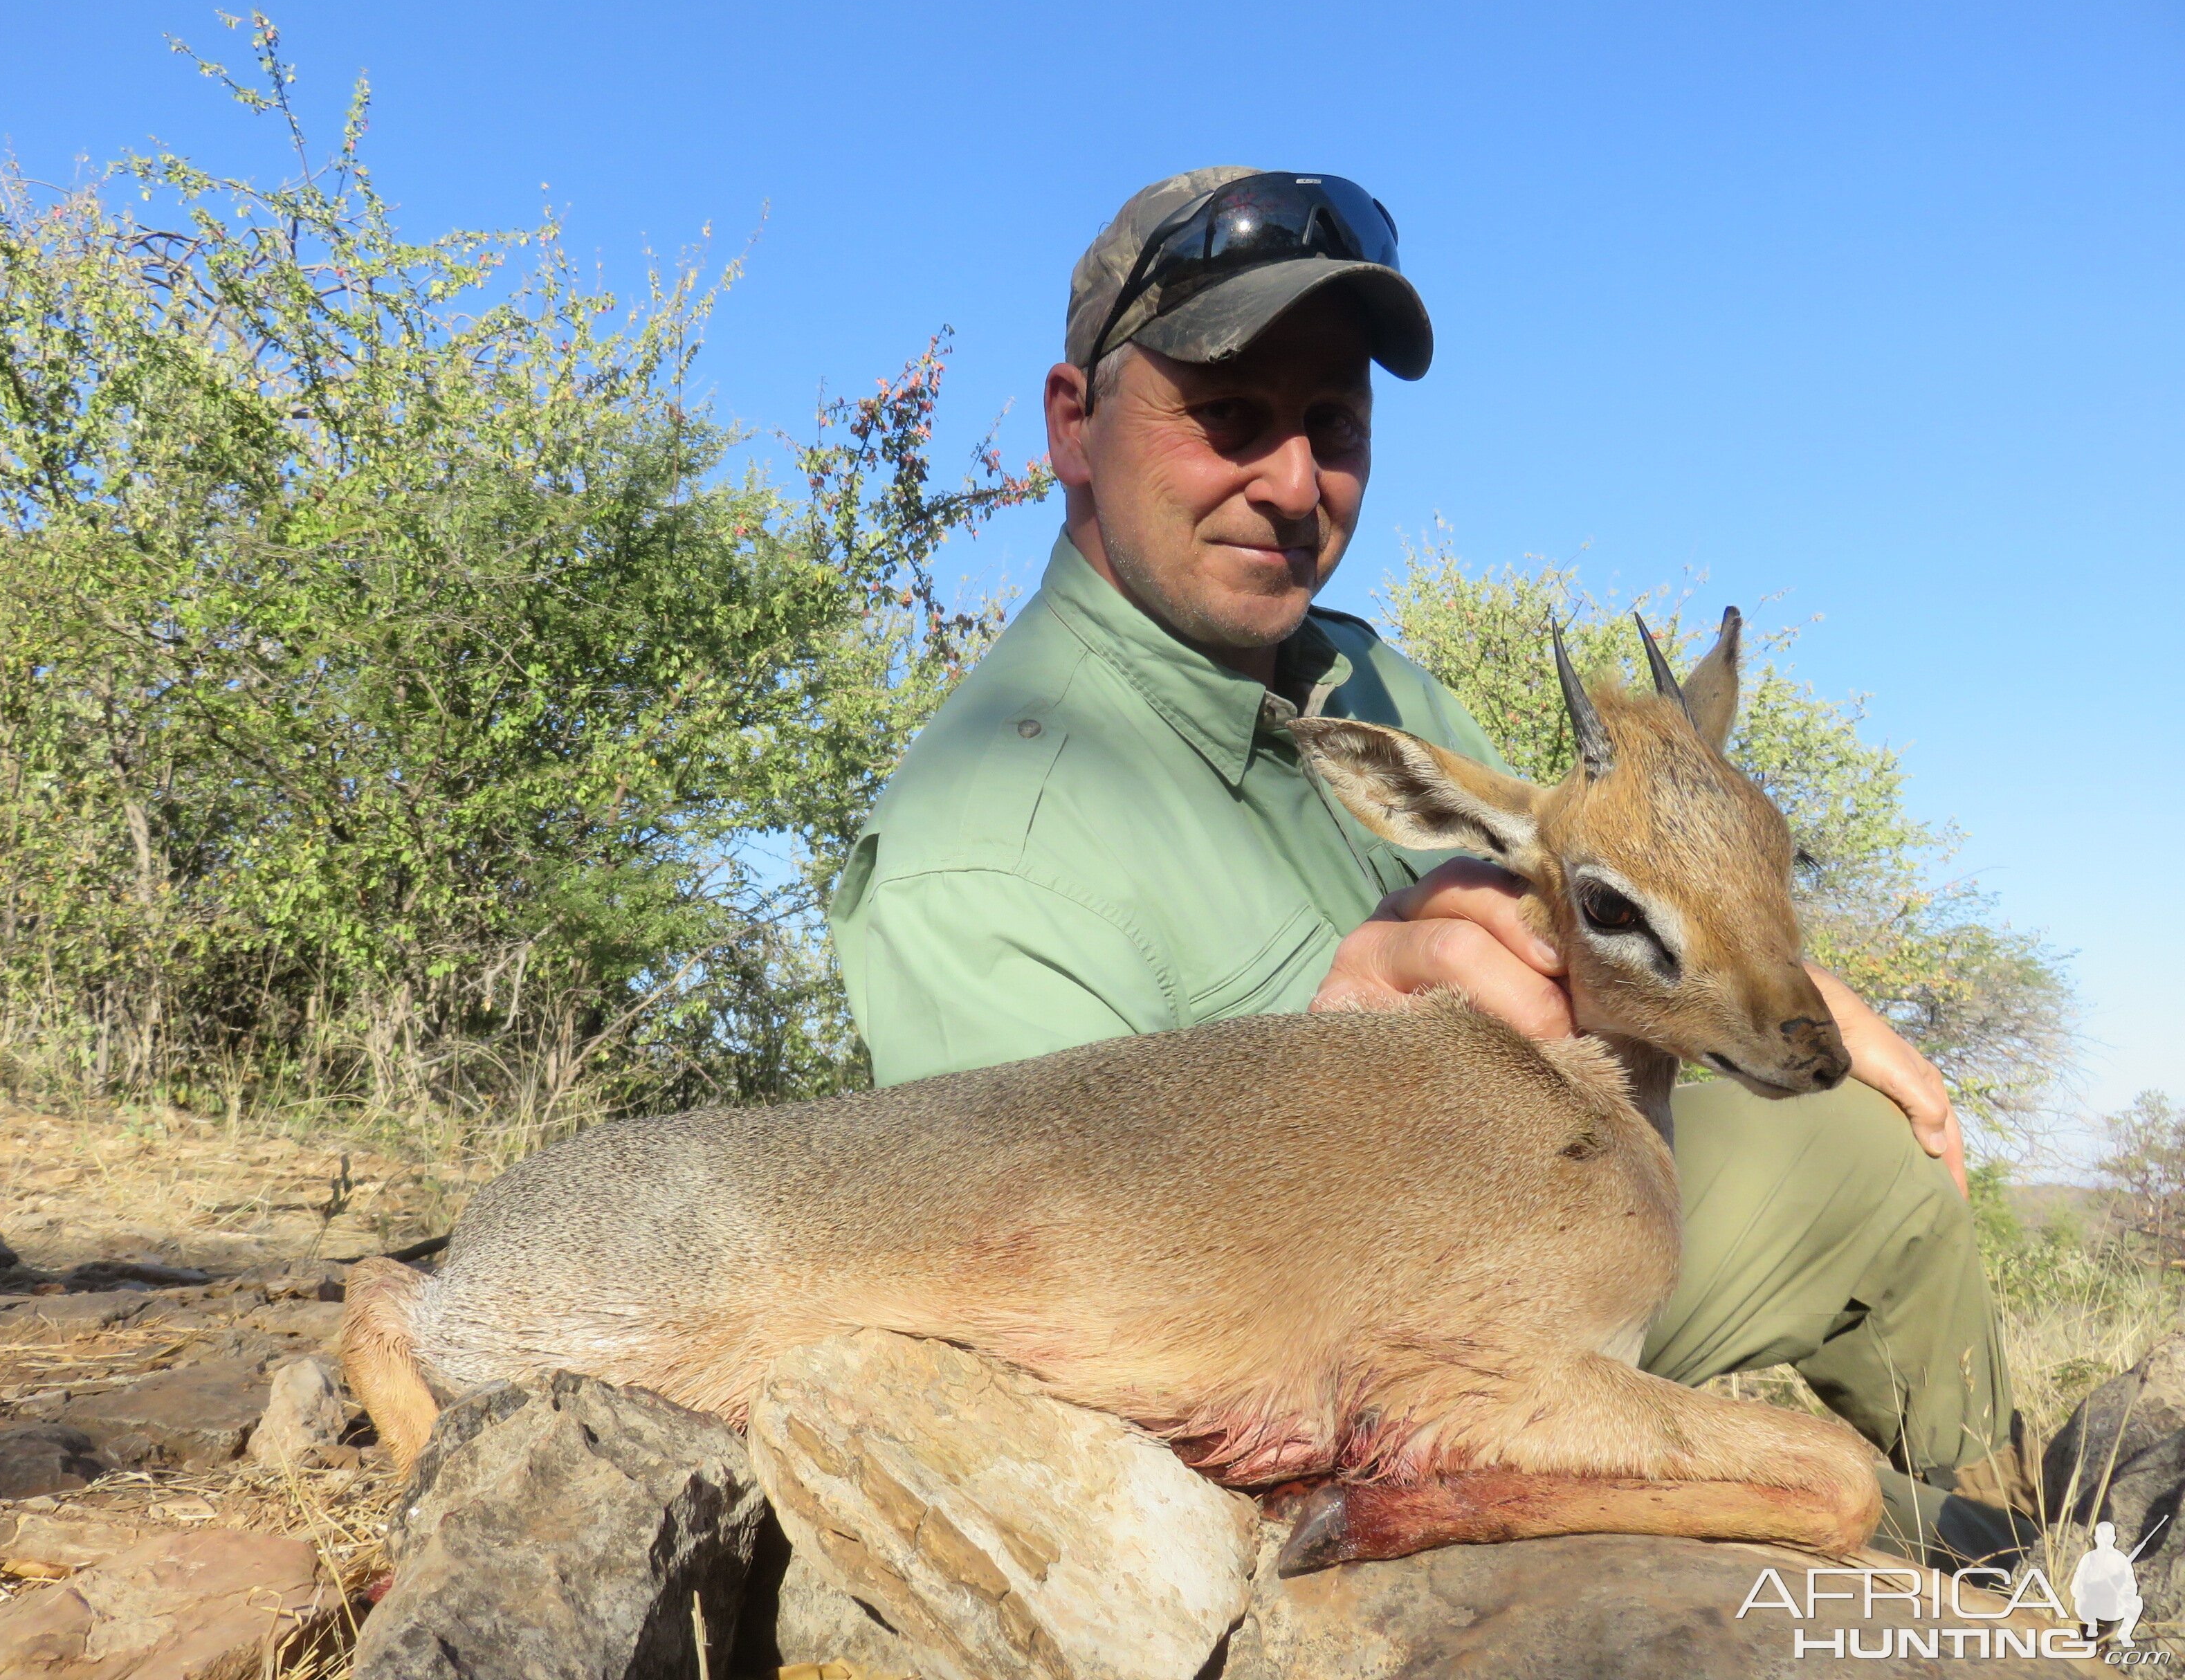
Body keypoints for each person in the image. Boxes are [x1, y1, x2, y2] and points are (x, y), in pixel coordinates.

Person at [830, 165, 2036, 1565]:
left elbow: (1595, 889)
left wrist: (1770, 972)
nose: (1291, 484)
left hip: (1557, 1216)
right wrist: (1329, 1041)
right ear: (1074, 426)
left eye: (1332, 424)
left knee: (1872, 1162)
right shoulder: (986, 845)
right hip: (1336, 1338)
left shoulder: (1358, 673)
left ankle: (2023, 1538)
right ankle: (1925, 1555)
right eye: (1228, 418)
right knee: (1811, 1495)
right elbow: (1061, 1300)